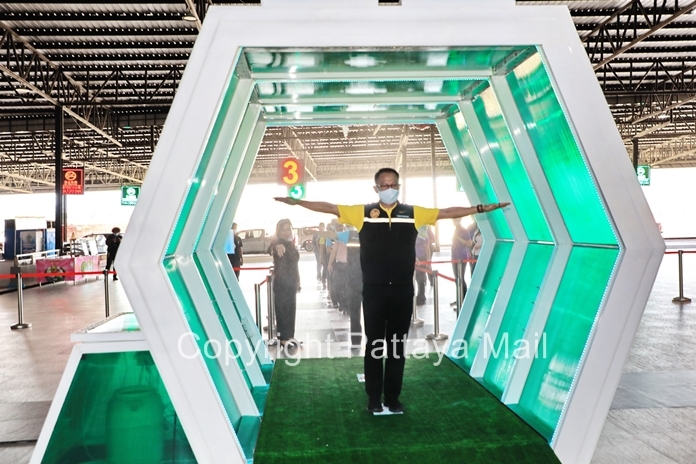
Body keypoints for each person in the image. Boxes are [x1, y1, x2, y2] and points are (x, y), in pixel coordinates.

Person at [275, 167, 509, 414]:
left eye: (393, 185)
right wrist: (298, 202)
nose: (389, 189)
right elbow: (330, 207)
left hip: (402, 291)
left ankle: (393, 396)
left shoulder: (413, 213)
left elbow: (447, 212)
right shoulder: (362, 213)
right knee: (374, 344)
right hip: (374, 291)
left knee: (397, 345)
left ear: (399, 186)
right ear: (376, 189)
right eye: (384, 185)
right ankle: (374, 397)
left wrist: (480, 208)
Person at [269, 219, 301, 347]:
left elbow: (294, 264)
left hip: (291, 281)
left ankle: (290, 336)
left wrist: (298, 280)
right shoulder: (278, 242)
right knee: (282, 309)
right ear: (279, 230)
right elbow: (271, 247)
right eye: (284, 229)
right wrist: (277, 245)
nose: (287, 232)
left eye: (289, 229)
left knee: (291, 309)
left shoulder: (290, 244)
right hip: (282, 281)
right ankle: (283, 338)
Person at [451, 218, 472, 307]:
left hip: (461, 257)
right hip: (454, 257)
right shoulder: (455, 229)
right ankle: (459, 298)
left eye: (455, 220)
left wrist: (458, 238)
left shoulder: (464, 230)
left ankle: (463, 298)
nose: (454, 221)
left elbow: (469, 243)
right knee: (457, 278)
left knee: (460, 278)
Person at [415, 225, 433, 306]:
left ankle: (421, 297)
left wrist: (428, 260)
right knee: (417, 278)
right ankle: (419, 296)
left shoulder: (423, 232)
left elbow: (427, 247)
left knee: (420, 279)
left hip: (421, 257)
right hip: (413, 257)